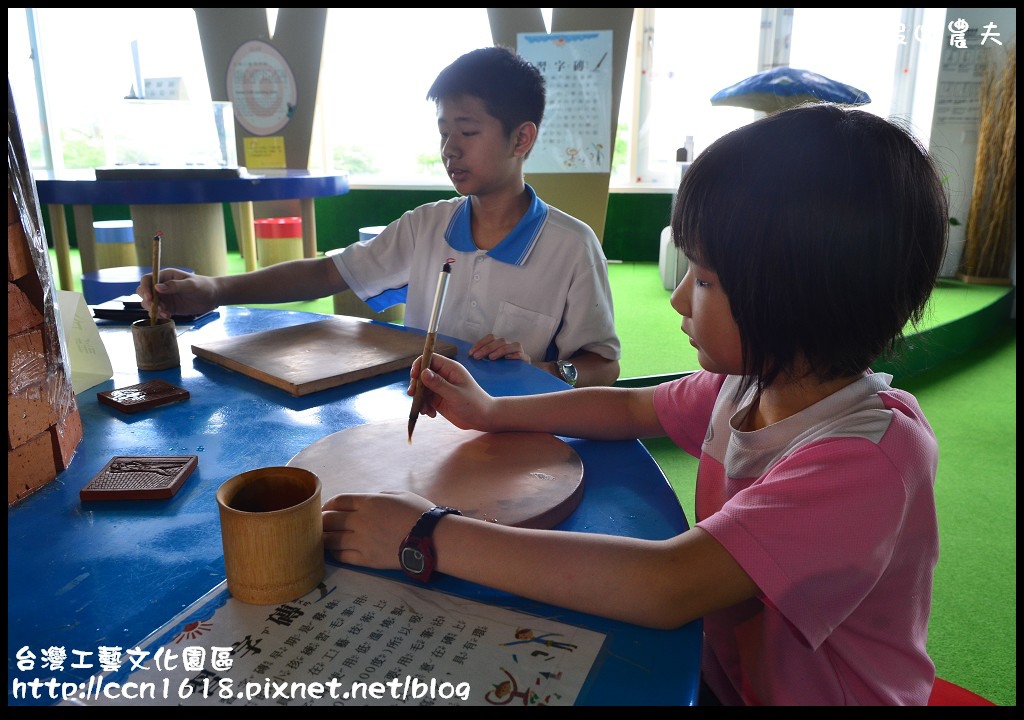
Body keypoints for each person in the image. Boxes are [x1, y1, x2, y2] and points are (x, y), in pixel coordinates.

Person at [321, 104, 950, 706]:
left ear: (801, 295)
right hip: (727, 672)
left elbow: (666, 584)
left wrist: (427, 533)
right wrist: (491, 411)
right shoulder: (751, 385)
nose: (679, 300)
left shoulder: (868, 461)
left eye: (704, 279)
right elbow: (631, 409)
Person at [137, 46, 620, 388]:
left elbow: (601, 363)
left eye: (468, 131)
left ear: (522, 139)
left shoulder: (572, 248)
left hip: (519, 434)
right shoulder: (426, 227)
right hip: (428, 424)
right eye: (443, 131)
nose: (450, 148)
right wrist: (215, 289)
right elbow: (329, 271)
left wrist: (542, 373)